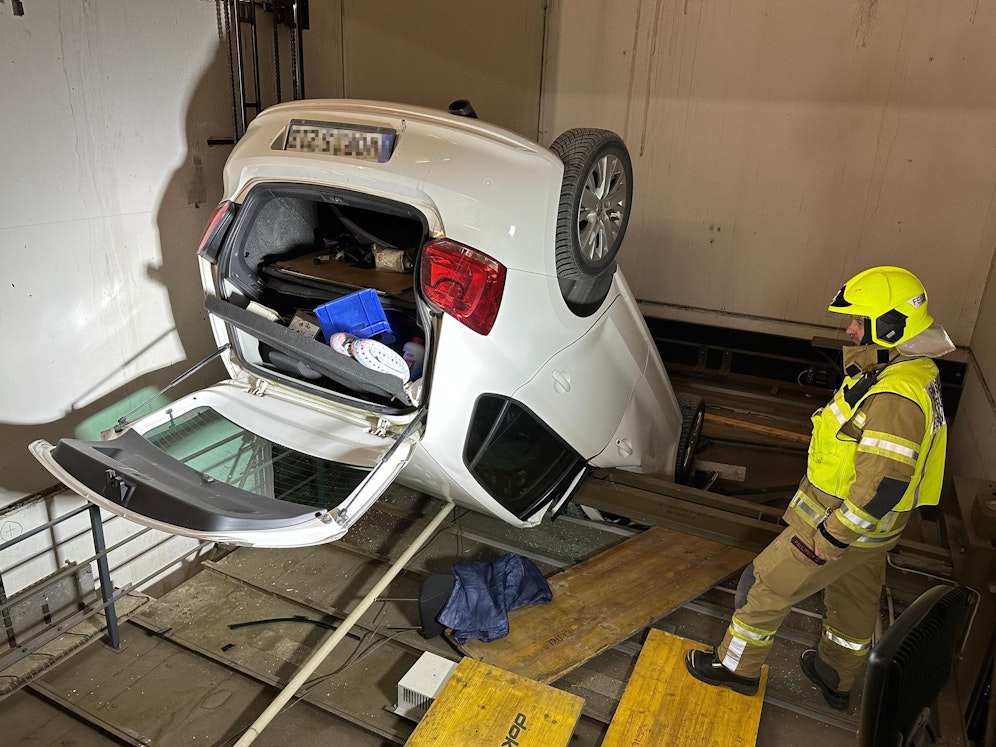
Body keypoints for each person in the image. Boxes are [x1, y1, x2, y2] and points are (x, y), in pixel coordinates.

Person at [685, 266, 954, 708]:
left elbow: (883, 482)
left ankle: (737, 668)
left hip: (841, 523)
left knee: (765, 585)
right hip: (876, 532)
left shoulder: (894, 398)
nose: (849, 329)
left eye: (858, 321)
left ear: (889, 327)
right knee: (853, 601)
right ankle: (836, 675)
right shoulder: (911, 370)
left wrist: (832, 537)